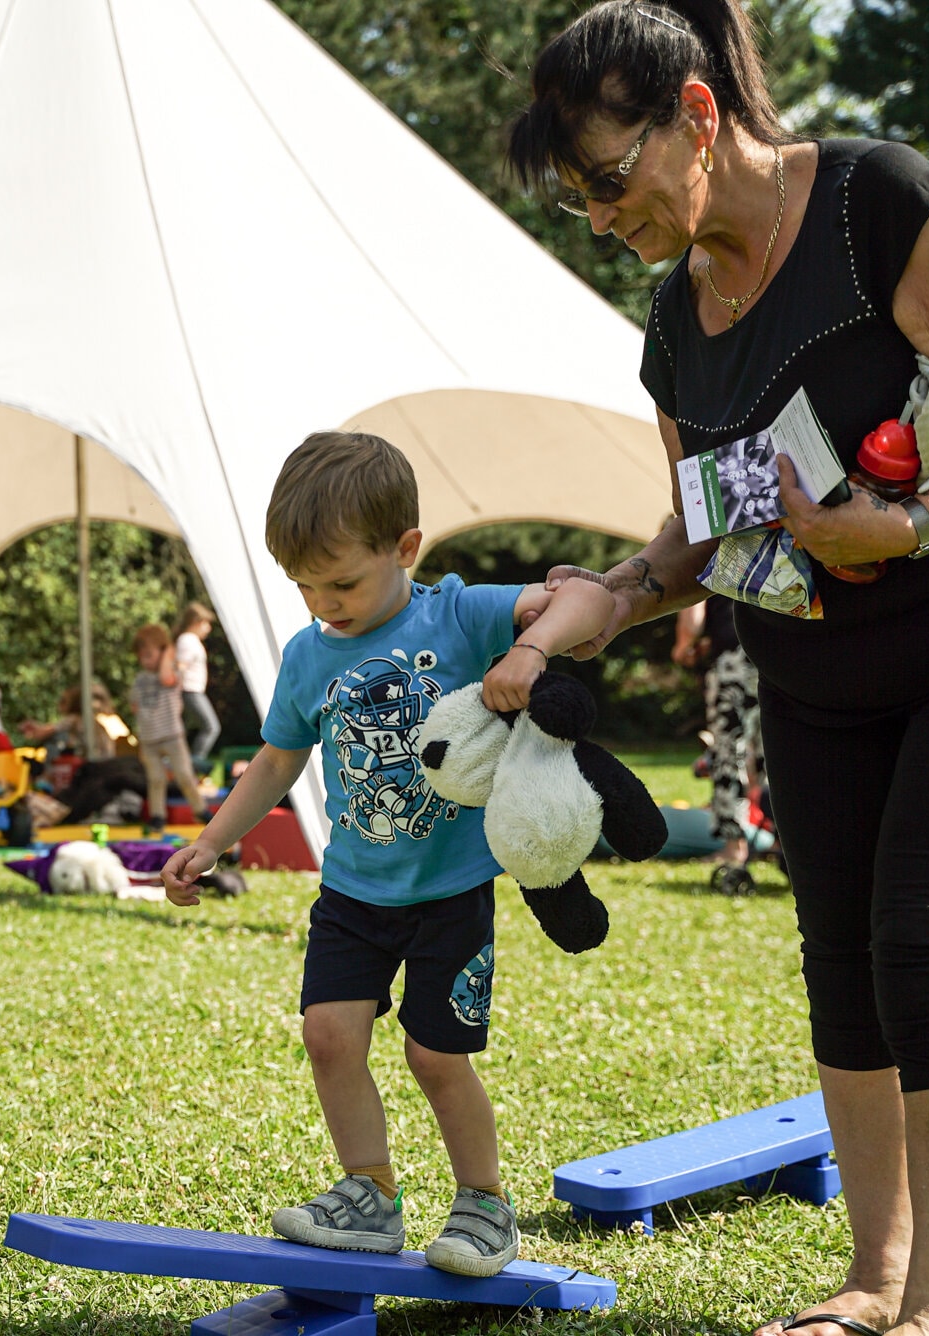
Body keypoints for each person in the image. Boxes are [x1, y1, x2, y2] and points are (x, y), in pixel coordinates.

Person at [507, 4, 929, 1331]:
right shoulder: (672, 328)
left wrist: (908, 521)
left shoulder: (873, 204)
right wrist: (607, 592)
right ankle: (875, 1282)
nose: (605, 218)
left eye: (613, 179)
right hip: (816, 670)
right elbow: (700, 525)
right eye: (582, 202)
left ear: (698, 113)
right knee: (841, 956)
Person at [161, 431, 617, 1277]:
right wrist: (211, 842)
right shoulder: (307, 657)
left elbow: (588, 601)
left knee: (435, 1055)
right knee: (330, 1037)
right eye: (303, 585)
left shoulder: (458, 613)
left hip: (451, 891)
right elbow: (276, 760)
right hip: (353, 891)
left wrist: (528, 649)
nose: (321, 602)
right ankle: (368, 1194)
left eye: (341, 581)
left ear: (406, 548)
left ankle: (485, 1206)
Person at [672, 595, 758, 864]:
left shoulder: (709, 552)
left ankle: (734, 848)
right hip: (779, 653)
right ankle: (781, 842)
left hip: (734, 659)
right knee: (779, 748)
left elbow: (692, 617)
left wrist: (684, 645)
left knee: (729, 752)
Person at [19, 683, 146, 825]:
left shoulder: (75, 720)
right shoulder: (99, 722)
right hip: (107, 764)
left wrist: (31, 727)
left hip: (95, 767)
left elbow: (45, 731)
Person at [130, 624, 210, 836]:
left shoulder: (171, 673)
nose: (145, 661)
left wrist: (168, 652)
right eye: (141, 656)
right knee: (155, 779)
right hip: (149, 740)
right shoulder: (140, 679)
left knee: (184, 775)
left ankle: (200, 809)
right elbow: (135, 706)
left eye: (149, 654)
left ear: (164, 652)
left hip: (172, 736)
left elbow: (166, 677)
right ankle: (157, 816)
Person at [174, 602, 222, 772]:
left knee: (184, 731)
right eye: (206, 623)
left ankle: (183, 765)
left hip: (193, 691)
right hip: (190, 691)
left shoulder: (190, 640)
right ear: (196, 621)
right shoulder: (187, 640)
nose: (208, 628)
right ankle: (196, 763)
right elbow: (181, 666)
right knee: (211, 727)